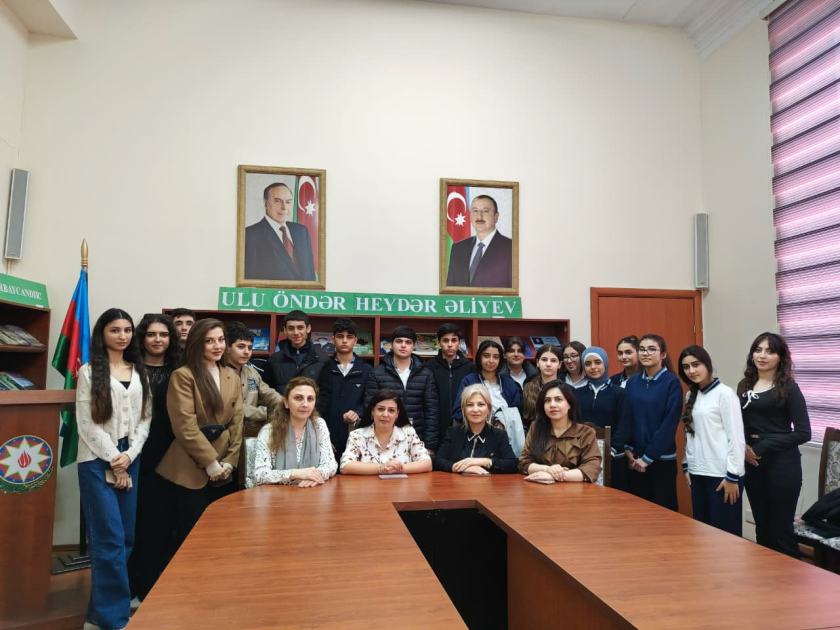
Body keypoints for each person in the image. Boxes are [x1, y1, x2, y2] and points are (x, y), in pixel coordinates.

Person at [76, 309, 151, 630]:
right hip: (96, 459)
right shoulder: (89, 372)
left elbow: (145, 418)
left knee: (125, 539)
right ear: (102, 334)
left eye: (127, 330)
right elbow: (87, 424)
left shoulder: (139, 370)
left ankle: (98, 614)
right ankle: (115, 620)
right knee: (108, 540)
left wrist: (129, 455)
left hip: (130, 456)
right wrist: (114, 459)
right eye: (115, 330)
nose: (122, 336)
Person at [156, 318, 244, 549]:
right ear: (197, 343)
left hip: (224, 468)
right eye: (209, 341)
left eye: (221, 340)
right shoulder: (183, 375)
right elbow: (184, 425)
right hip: (189, 467)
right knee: (191, 536)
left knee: (220, 534)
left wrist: (230, 462)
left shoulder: (232, 376)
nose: (218, 346)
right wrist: (210, 463)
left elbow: (237, 423)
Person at [737, 333, 811, 557]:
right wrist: (744, 446)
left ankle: (789, 576)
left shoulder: (789, 388)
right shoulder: (744, 385)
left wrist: (763, 446)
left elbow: (803, 432)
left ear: (780, 357)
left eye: (770, 351)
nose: (762, 355)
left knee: (781, 531)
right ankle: (766, 576)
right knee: (762, 529)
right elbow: (738, 422)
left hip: (782, 465)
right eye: (758, 350)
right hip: (752, 464)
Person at [127, 313, 180, 608]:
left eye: (163, 334)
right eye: (151, 334)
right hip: (133, 453)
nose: (157, 340)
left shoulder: (179, 370)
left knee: (162, 522)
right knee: (135, 522)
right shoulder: (129, 369)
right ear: (142, 338)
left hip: (170, 453)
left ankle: (153, 585)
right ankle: (132, 584)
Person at [678, 345, 745, 536]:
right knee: (702, 534)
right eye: (686, 367)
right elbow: (691, 434)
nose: (691, 370)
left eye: (696, 364)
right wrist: (687, 465)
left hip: (723, 476)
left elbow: (736, 438)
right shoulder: (691, 394)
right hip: (698, 472)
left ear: (707, 364)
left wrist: (733, 476)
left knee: (724, 536)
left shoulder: (725, 394)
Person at [614, 334, 683, 511]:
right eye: (642, 349)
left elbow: (669, 424)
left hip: (661, 459)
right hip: (634, 460)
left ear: (663, 354)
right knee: (637, 513)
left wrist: (648, 458)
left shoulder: (671, 382)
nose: (646, 353)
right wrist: (627, 449)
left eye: (652, 349)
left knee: (663, 513)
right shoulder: (632, 382)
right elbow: (627, 418)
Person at [364, 326, 439, 453]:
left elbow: (432, 411)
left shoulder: (426, 374)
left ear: (413, 345)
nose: (403, 345)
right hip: (384, 439)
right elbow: (370, 408)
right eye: (399, 341)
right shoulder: (376, 373)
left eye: (408, 342)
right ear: (391, 344)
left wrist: (430, 446)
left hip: (418, 437)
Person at [253, 377, 337, 486]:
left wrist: (313, 476)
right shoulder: (269, 431)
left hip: (311, 490)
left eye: (310, 399)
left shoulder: (319, 425)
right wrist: (296, 474)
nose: (305, 404)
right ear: (286, 402)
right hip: (278, 493)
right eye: (298, 398)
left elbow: (331, 465)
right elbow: (260, 475)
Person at [518, 381, 602, 483]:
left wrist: (555, 476)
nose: (552, 405)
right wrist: (548, 469)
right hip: (539, 487)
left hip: (575, 489)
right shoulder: (536, 428)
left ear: (569, 404)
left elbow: (592, 468)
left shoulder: (586, 432)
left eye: (558, 399)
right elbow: (524, 463)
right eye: (547, 400)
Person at [317, 318, 373, 460]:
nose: (344, 341)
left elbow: (370, 399)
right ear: (333, 339)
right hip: (327, 436)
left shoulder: (367, 370)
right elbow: (318, 403)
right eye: (340, 336)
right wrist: (322, 437)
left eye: (349, 337)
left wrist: (358, 412)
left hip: (357, 437)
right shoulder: (323, 368)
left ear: (355, 340)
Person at [340, 389, 433, 475]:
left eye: (391, 410)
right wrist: (381, 468)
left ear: (397, 414)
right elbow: (345, 466)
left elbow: (427, 463)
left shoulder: (408, 432)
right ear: (372, 411)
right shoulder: (357, 435)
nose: (385, 414)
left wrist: (398, 469)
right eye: (381, 409)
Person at [434, 384, 518, 474]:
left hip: (489, 482)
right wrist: (460, 468)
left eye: (481, 404)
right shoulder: (453, 433)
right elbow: (437, 461)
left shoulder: (499, 435)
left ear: (489, 408)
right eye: (470, 405)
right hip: (457, 482)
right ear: (464, 409)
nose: (475, 409)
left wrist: (484, 461)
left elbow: (512, 464)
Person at [575, 346, 627, 490]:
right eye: (588, 364)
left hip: (614, 456)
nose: (593, 367)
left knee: (615, 497)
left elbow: (625, 424)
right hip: (584, 455)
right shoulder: (577, 393)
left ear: (605, 363)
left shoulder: (619, 393)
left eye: (597, 362)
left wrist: (611, 450)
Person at [244, 182, 316, 282]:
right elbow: (249, 281)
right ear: (265, 203)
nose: (284, 207)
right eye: (277, 201)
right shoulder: (250, 235)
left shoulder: (301, 231)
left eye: (288, 202)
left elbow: (310, 273)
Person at [225, 321, 284, 439]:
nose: (246, 352)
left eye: (250, 347)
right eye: (241, 347)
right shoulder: (218, 374)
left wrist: (285, 404)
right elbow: (234, 407)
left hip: (250, 434)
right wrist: (266, 412)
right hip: (226, 434)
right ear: (227, 348)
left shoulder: (251, 372)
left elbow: (267, 393)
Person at [445, 194, 513, 288]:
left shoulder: (511, 248)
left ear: (496, 217)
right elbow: (450, 289)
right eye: (475, 211)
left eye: (485, 211)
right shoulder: (458, 248)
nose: (479, 216)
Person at [428, 323, 475, 445]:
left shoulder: (470, 368)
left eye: (454, 340)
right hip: (436, 428)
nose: (450, 344)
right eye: (445, 340)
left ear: (459, 343)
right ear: (439, 343)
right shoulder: (429, 367)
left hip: (464, 428)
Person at [452, 339, 521, 421]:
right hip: (475, 427)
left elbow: (517, 414)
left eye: (496, 357)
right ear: (479, 357)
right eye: (486, 356)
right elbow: (458, 413)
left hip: (506, 428)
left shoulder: (509, 384)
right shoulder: (469, 381)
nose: (491, 361)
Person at [264, 310, 329, 394]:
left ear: (308, 328)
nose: (296, 332)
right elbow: (267, 393)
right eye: (291, 328)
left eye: (300, 328)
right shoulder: (274, 360)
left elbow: (326, 394)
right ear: (285, 330)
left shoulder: (323, 360)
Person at [521, 344, 562, 432]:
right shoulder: (528, 387)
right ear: (537, 362)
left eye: (553, 360)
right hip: (532, 435)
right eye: (544, 360)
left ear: (560, 364)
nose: (548, 364)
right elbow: (524, 420)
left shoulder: (567, 390)